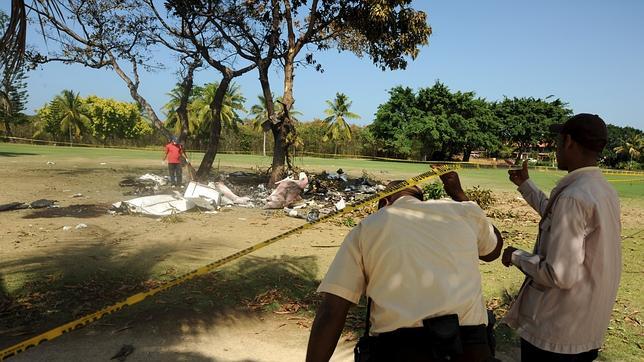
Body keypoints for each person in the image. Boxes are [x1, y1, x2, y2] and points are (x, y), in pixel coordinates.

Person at [306, 172, 504, 362]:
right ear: (420, 198)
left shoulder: (368, 227)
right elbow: (493, 251)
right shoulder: (463, 211)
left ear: (384, 203)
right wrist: (459, 195)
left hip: (398, 351)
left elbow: (333, 310)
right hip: (470, 350)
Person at [502, 113, 621, 362]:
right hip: (585, 327)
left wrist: (516, 256)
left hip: (555, 334)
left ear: (568, 141)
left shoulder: (574, 196)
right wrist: (526, 185)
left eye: (557, 142)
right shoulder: (602, 189)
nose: (556, 148)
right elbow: (556, 217)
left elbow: (559, 274)